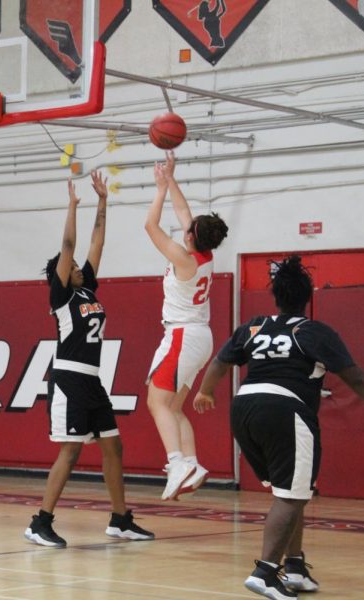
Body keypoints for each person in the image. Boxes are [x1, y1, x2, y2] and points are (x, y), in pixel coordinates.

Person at [193, 255, 364, 599]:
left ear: (276, 297)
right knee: (291, 496)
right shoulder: (312, 331)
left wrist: (205, 391)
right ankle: (264, 573)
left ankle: (294, 566)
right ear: (308, 297)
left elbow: (220, 361)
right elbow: (357, 378)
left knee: (291, 492)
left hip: (244, 408)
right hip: (284, 409)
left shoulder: (253, 326)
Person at [24, 172, 154, 548]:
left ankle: (120, 519)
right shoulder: (61, 297)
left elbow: (97, 242)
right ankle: (40, 522)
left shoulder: (87, 289)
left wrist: (102, 201)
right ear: (60, 276)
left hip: (92, 380)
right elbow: (69, 245)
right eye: (71, 266)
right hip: (68, 379)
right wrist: (72, 206)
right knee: (71, 450)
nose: (79, 264)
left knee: (113, 445)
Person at [144, 151, 228, 501]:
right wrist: (171, 179)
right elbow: (184, 215)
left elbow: (151, 226)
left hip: (183, 335)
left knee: (156, 402)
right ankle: (193, 464)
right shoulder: (203, 254)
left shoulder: (184, 257)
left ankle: (177, 462)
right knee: (173, 406)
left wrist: (160, 190)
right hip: (198, 336)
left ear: (191, 237)